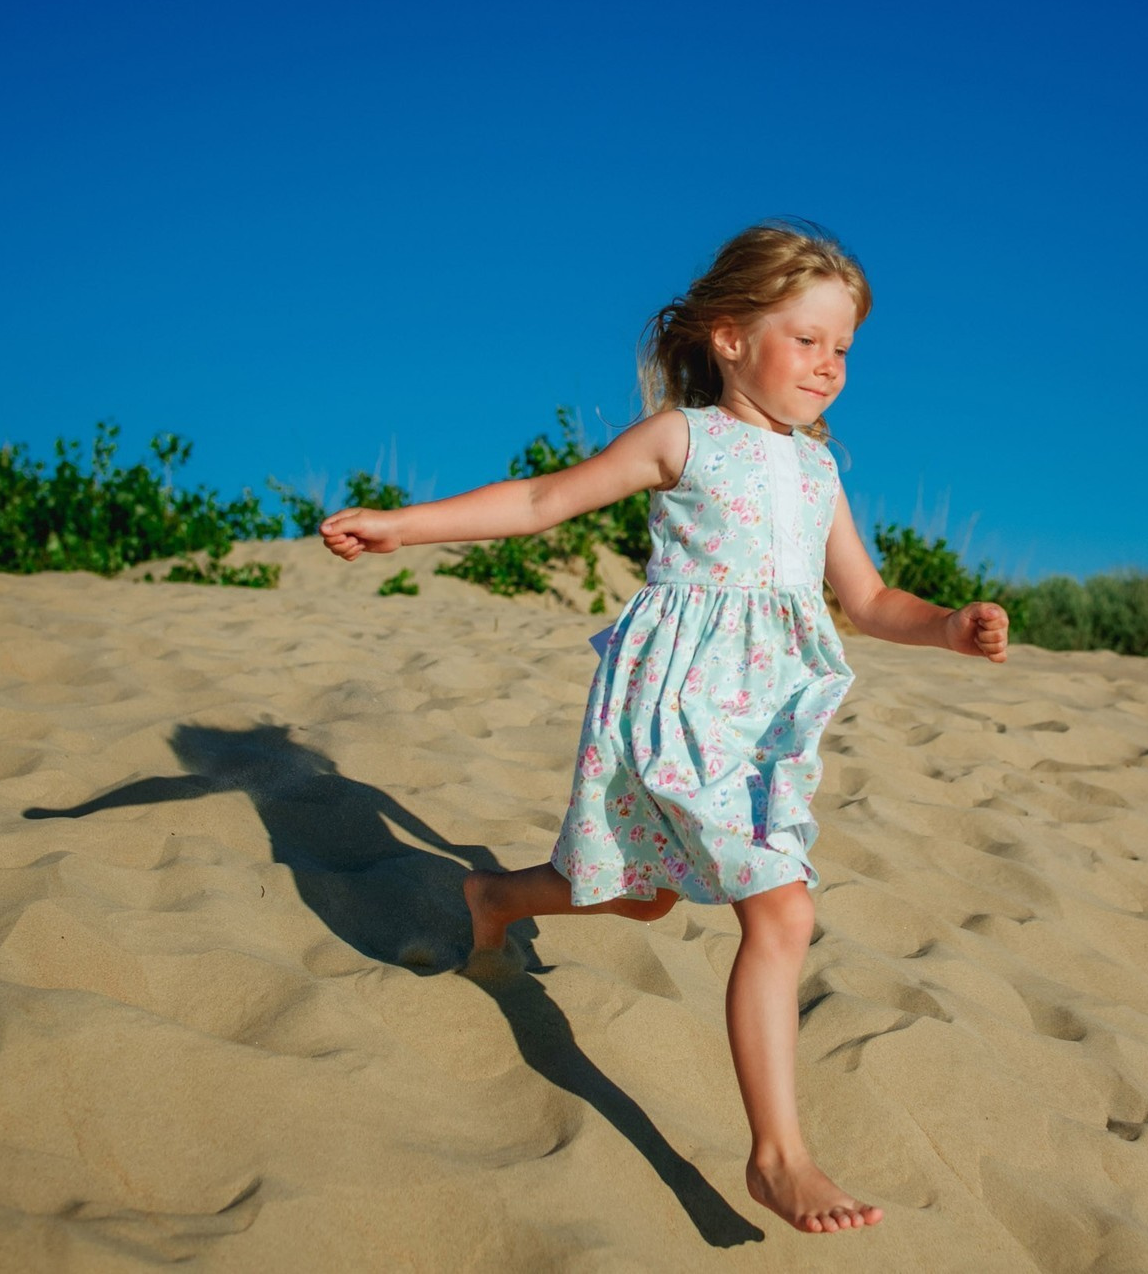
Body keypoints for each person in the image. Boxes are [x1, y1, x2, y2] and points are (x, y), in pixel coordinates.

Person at [319, 218, 1011, 1236]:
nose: (827, 365)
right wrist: (402, 524)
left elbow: (865, 599)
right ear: (729, 337)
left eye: (843, 350)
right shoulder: (683, 437)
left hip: (767, 722)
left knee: (639, 894)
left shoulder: (819, 473)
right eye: (807, 339)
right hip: (678, 707)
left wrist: (946, 626)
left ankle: (495, 893)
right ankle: (777, 1155)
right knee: (780, 913)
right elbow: (541, 500)